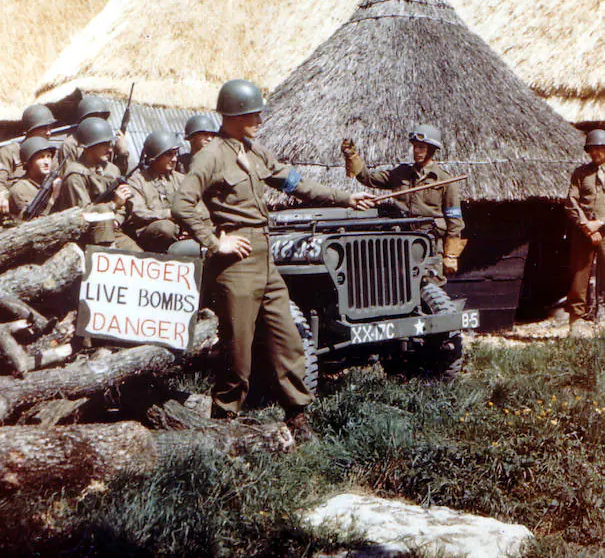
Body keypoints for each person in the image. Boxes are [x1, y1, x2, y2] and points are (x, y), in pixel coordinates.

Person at [172, 78, 373, 438]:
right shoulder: (210, 155)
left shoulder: (254, 151)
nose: (259, 121)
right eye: (253, 115)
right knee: (238, 351)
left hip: (266, 260)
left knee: (287, 338)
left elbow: (294, 183)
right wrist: (216, 241)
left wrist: (346, 198)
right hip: (237, 265)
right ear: (234, 115)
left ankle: (297, 414)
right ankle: (223, 424)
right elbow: (182, 202)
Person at [341, 124, 465, 281]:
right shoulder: (400, 173)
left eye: (421, 147)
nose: (416, 151)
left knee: (430, 286)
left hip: (429, 244)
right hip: (399, 242)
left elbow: (455, 222)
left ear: (432, 150)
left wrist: (451, 256)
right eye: (415, 147)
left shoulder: (445, 181)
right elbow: (368, 179)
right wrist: (352, 156)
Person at [54, 116, 140, 250]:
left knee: (138, 259)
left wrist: (117, 219)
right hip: (84, 236)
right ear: (88, 146)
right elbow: (82, 215)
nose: (110, 149)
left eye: (110, 144)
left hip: (112, 228)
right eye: (104, 144)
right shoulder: (75, 175)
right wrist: (113, 205)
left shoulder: (112, 170)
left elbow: (125, 203)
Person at [0, 104, 57, 228]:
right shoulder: (10, 151)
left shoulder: (50, 155)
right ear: (30, 130)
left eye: (50, 128)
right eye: (44, 128)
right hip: (14, 207)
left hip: (39, 205)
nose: (48, 133)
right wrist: (1, 193)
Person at [565, 128, 605, 336]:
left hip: (604, 229)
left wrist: (600, 223)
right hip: (584, 231)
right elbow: (571, 202)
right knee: (579, 275)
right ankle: (576, 321)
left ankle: (603, 318)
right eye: (591, 150)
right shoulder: (581, 173)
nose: (595, 154)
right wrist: (586, 226)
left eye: (599, 149)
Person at [127, 131, 189, 252]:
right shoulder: (137, 181)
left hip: (181, 231)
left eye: (175, 154)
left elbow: (197, 208)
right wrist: (167, 214)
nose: (174, 159)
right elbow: (138, 213)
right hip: (149, 235)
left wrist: (189, 228)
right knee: (165, 227)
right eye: (169, 155)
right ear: (154, 156)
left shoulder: (182, 180)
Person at [59, 94, 130, 175]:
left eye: (101, 117)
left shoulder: (108, 142)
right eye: (94, 116)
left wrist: (122, 153)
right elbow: (68, 176)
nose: (98, 120)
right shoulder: (70, 144)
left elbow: (118, 175)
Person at [9, 137, 62, 220]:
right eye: (41, 157)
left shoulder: (49, 183)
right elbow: (33, 224)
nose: (46, 162)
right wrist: (53, 199)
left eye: (49, 157)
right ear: (29, 162)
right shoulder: (20, 190)